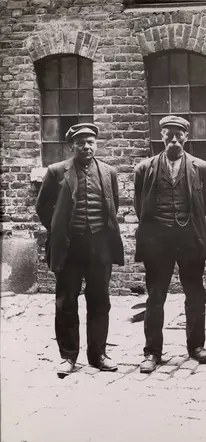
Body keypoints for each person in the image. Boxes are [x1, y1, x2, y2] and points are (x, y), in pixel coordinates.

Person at [35, 123, 124, 378]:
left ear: (96, 144)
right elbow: (43, 207)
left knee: (100, 301)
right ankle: (68, 356)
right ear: (71, 146)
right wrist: (59, 230)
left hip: (99, 247)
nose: (86, 147)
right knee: (66, 302)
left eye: (91, 142)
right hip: (70, 247)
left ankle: (98, 355)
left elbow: (113, 205)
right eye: (81, 142)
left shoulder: (108, 172)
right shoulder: (56, 171)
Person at [134, 115, 206, 373]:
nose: (174, 141)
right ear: (162, 137)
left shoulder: (200, 167)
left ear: (186, 137)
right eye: (169, 136)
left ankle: (196, 346)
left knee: (195, 294)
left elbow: (204, 203)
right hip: (158, 243)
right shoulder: (145, 169)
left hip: (190, 240)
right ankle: (152, 352)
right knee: (156, 297)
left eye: (179, 136)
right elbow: (140, 206)